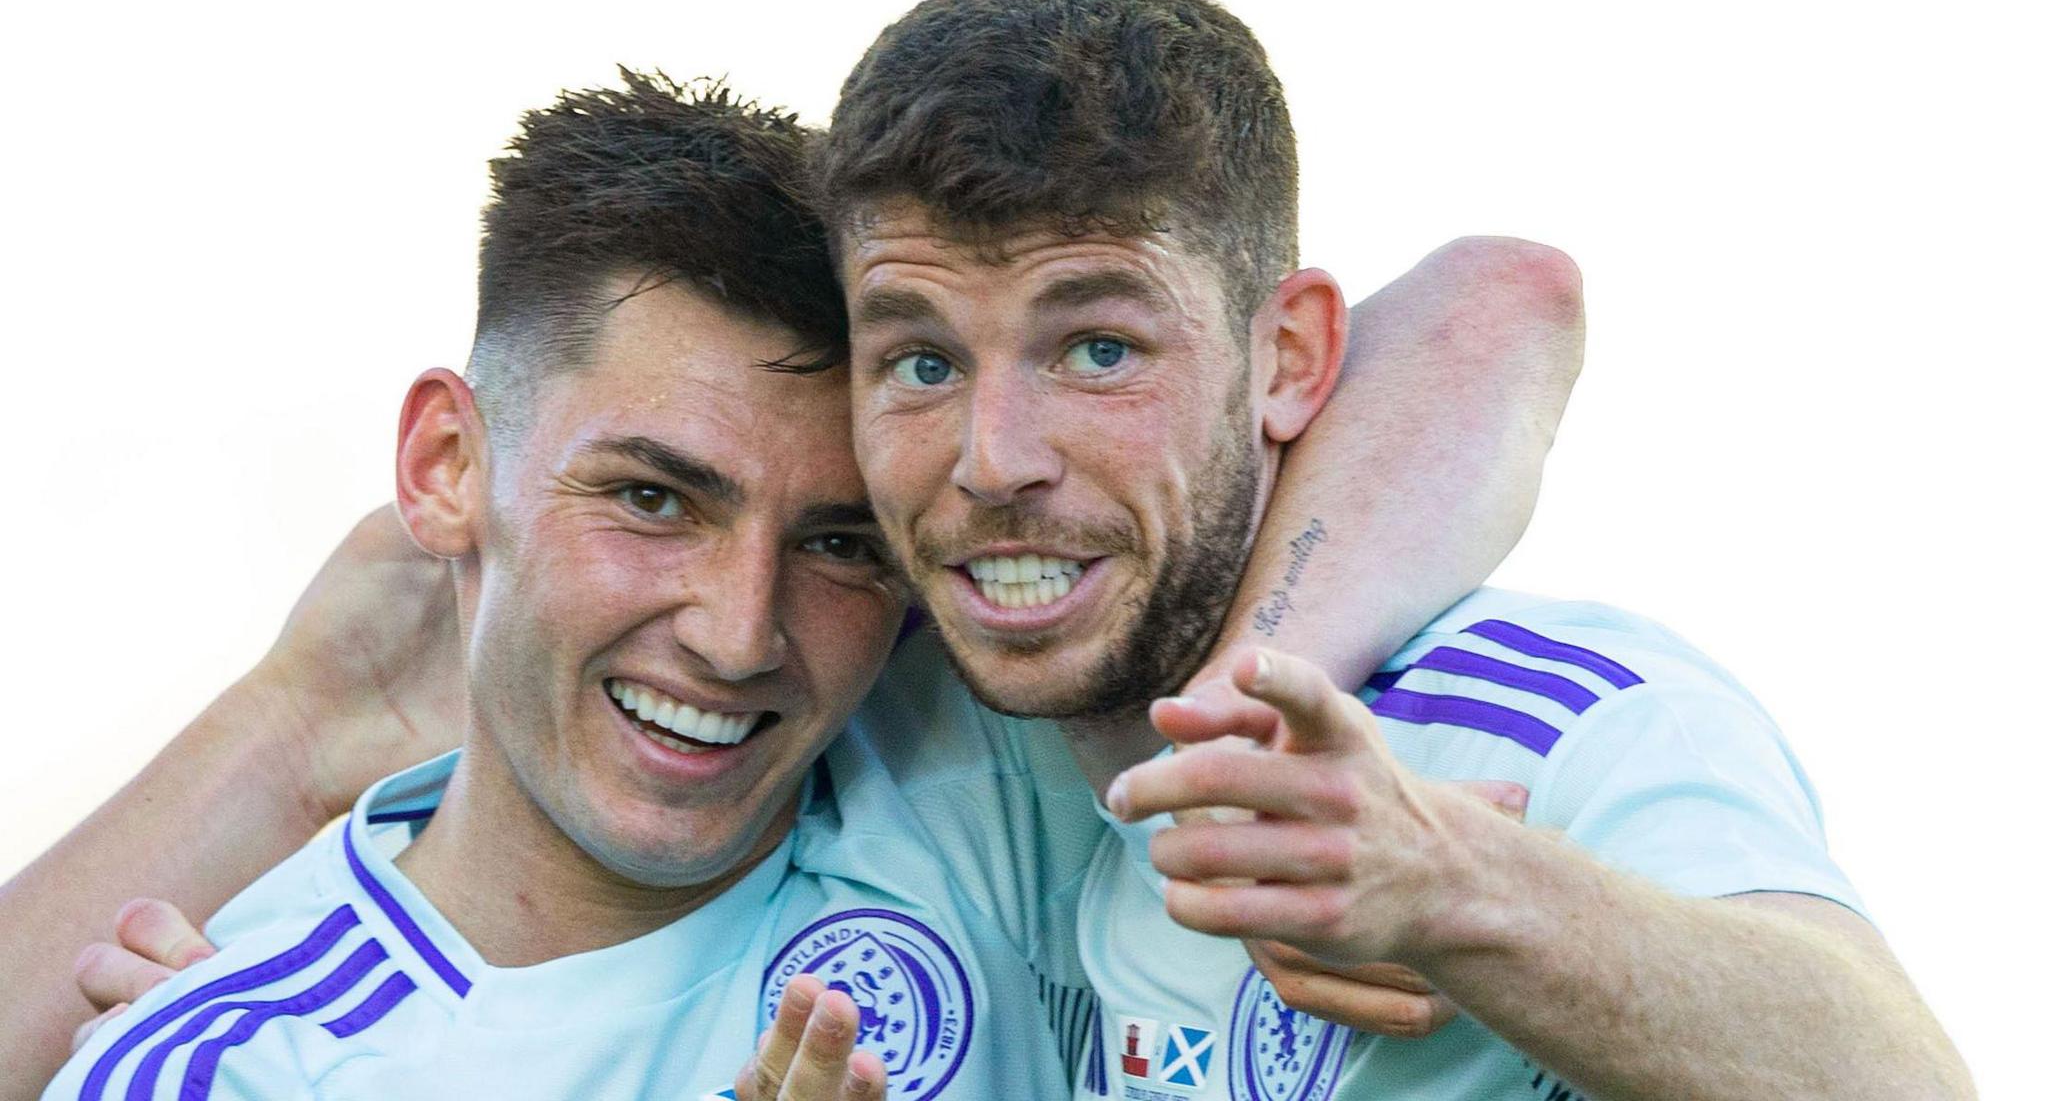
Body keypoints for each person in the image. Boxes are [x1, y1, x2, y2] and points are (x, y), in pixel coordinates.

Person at [13, 64, 1589, 1101]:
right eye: (651, 498)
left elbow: (1495, 309)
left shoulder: (953, 761)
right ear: (446, 468)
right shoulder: (236, 1059)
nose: (739, 628)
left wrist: (1238, 742)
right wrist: (302, 716)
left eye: (838, 538)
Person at [812, 0, 1970, 1100]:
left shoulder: (1562, 725)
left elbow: (1903, 1082)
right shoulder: (874, 698)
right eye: (921, 363)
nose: (992, 460)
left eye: (1099, 350)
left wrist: (1462, 889)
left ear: (1291, 357)